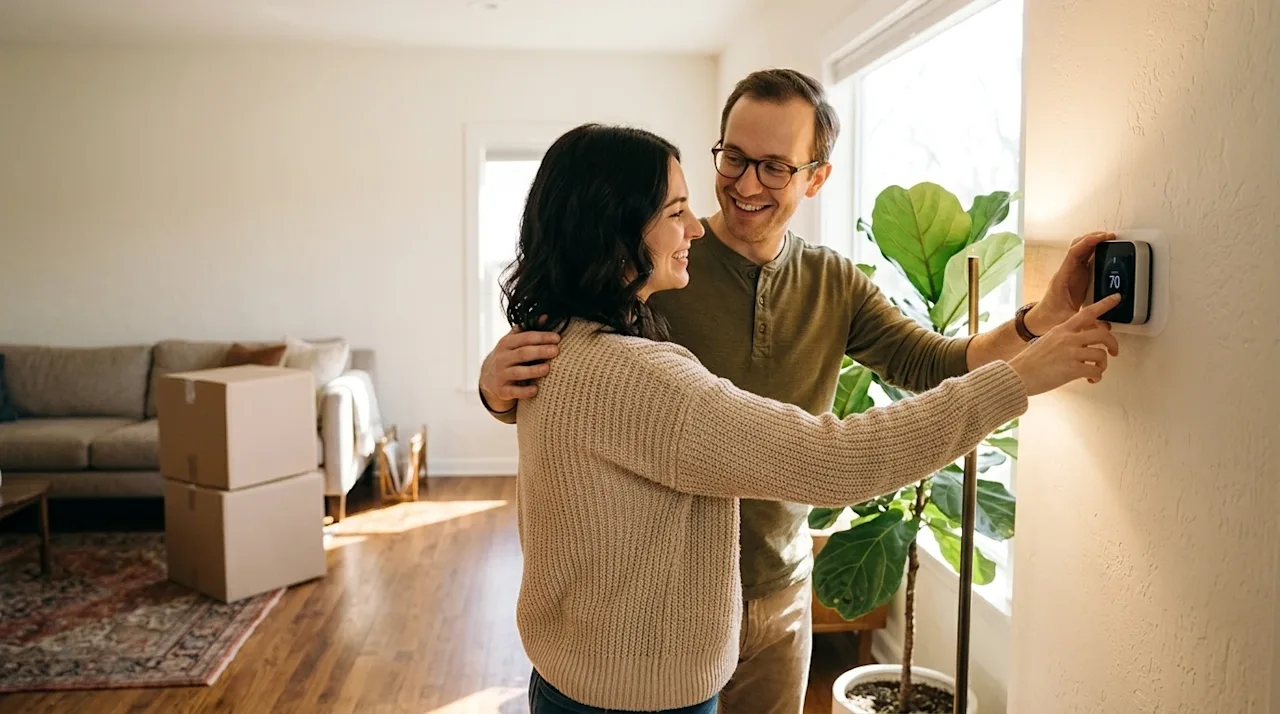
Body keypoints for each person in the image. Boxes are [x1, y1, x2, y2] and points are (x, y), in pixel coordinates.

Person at [500, 121, 1119, 714]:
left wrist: (1036, 324)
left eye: (774, 166)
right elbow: (836, 460)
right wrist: (1024, 378)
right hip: (638, 684)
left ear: (814, 177)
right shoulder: (640, 368)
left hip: (620, 657)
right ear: (614, 232)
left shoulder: (564, 333)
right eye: (732, 160)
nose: (737, 191)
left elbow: (933, 360)